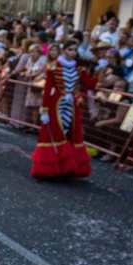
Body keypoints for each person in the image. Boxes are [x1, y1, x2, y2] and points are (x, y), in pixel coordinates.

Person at [32, 49, 95, 181]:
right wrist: (45, 110)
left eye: (75, 49)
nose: (73, 52)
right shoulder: (54, 67)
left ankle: (67, 167)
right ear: (64, 51)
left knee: (69, 134)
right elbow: (48, 89)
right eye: (70, 49)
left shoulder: (80, 69)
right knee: (57, 134)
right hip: (57, 104)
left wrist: (97, 72)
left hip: (71, 104)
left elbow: (88, 84)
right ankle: (53, 167)